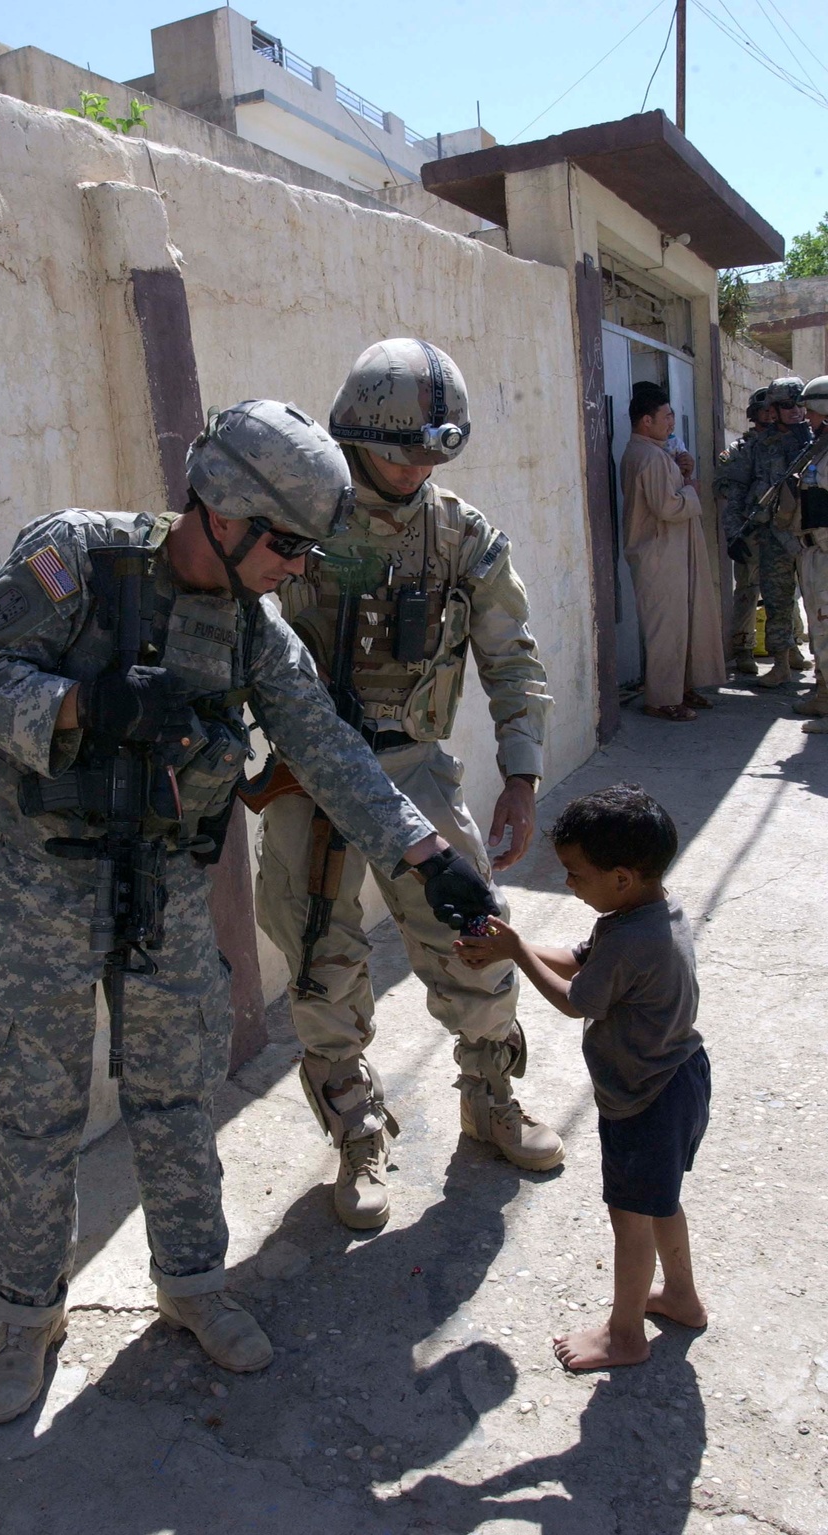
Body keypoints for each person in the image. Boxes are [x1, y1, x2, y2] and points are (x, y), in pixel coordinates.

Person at [0, 399, 497, 1424]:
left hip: (163, 882)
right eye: (286, 545)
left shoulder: (253, 631)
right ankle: (27, 1315)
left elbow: (328, 748)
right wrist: (84, 705)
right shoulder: (78, 557)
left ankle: (193, 1284)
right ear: (230, 514)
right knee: (35, 1109)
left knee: (175, 1093)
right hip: (47, 884)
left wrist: (426, 857)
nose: (294, 568)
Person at [253, 338, 561, 1236]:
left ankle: (491, 1098)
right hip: (310, 776)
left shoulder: (463, 535)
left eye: (436, 451)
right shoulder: (299, 522)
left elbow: (513, 656)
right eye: (400, 450)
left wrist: (523, 773)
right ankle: (355, 1130)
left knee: (472, 928)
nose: (419, 466)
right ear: (352, 436)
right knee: (318, 951)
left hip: (415, 766)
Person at [455, 783, 710, 1371]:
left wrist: (517, 950)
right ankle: (680, 1297)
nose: (568, 883)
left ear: (621, 877)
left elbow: (576, 999)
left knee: (630, 1218)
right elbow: (583, 958)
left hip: (645, 1100)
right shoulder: (648, 913)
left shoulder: (631, 939)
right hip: (679, 1079)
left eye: (575, 873)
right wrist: (508, 951)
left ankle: (625, 1335)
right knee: (660, 1200)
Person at [620, 384, 725, 721]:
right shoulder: (648, 456)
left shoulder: (656, 452)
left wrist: (682, 471)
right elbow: (666, 506)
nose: (671, 424)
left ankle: (681, 689)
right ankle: (662, 699)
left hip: (671, 552)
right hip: (658, 553)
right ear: (646, 421)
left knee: (684, 622)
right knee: (666, 628)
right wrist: (692, 491)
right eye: (666, 417)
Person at [719, 376, 813, 689]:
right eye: (786, 405)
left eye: (800, 404)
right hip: (774, 535)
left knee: (818, 603)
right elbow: (737, 490)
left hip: (813, 536)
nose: (795, 411)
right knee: (776, 600)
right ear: (772, 409)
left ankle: (820, 671)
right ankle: (781, 663)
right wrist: (733, 534)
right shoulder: (757, 446)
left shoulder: (816, 440)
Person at [714, 387, 774, 676]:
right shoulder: (742, 451)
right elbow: (727, 491)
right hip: (751, 529)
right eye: (765, 410)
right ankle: (743, 648)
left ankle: (787, 649)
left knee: (783, 590)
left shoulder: (790, 445)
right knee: (749, 591)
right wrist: (733, 533)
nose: (770, 415)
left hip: (783, 530)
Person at [790, 375, 828, 732]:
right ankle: (823, 695)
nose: (808, 420)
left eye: (811, 412)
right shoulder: (820, 448)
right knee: (819, 626)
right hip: (815, 551)